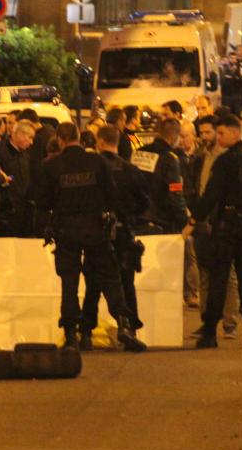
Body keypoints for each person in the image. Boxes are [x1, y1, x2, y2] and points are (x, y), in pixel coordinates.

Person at [38, 122, 144, 351]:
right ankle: (124, 324)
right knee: (110, 278)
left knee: (70, 283)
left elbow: (42, 200)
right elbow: (112, 195)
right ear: (78, 137)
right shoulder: (97, 162)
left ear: (60, 140)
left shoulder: (52, 166)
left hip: (67, 230)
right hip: (95, 228)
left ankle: (70, 335)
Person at [192, 114, 242, 349]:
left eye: (221, 133)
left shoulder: (225, 162)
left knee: (219, 279)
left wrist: (195, 218)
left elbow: (211, 195)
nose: (218, 138)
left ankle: (209, 334)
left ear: (235, 133)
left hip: (227, 226)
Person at [79, 125, 151, 342]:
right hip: (124, 233)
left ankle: (85, 333)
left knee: (93, 285)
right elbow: (144, 203)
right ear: (117, 142)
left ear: (100, 142)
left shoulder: (91, 169)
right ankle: (129, 327)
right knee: (126, 283)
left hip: (96, 233)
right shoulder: (131, 170)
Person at [133, 117, 189, 235]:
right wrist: (184, 221)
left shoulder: (137, 152)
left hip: (136, 218)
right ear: (175, 137)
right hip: (161, 221)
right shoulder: (170, 158)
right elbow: (175, 191)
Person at [0, 119, 39, 236]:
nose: (31, 142)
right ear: (20, 134)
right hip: (8, 211)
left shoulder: (25, 155)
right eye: (30, 137)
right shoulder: (2, 152)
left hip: (24, 210)